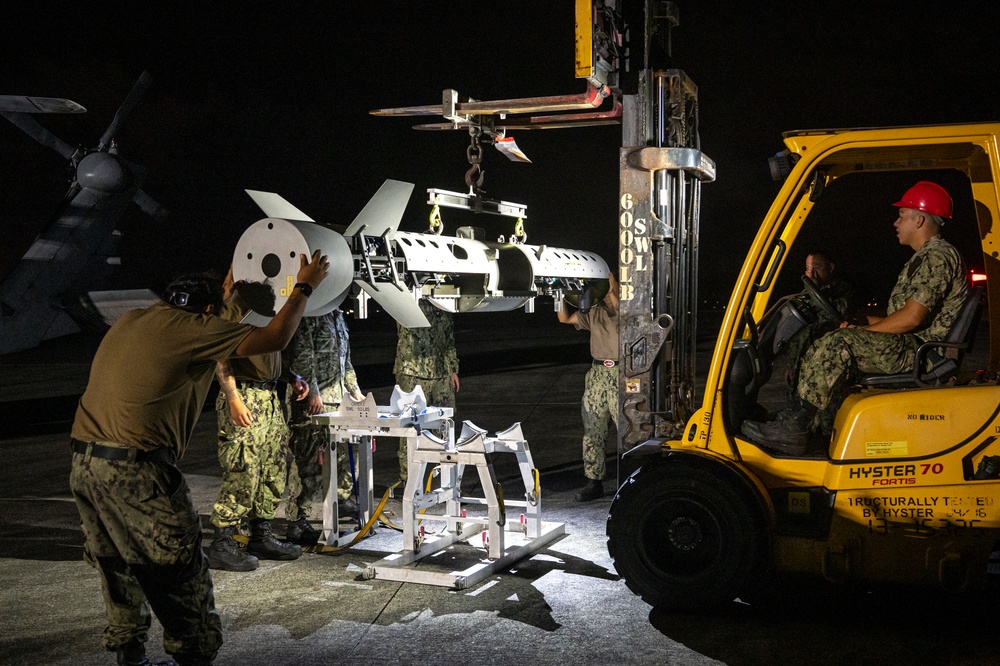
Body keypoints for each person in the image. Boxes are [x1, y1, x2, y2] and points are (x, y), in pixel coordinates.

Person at [69, 251, 329, 666]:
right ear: (207, 312)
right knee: (180, 571)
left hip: (85, 466)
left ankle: (130, 656)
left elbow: (211, 316)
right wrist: (304, 285)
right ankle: (195, 656)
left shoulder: (135, 319)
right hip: (137, 471)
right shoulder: (193, 330)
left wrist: (233, 293)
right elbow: (275, 337)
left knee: (116, 563)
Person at [742, 181, 970, 455]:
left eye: (901, 215)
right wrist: (861, 323)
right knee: (838, 339)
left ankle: (794, 427)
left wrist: (863, 334)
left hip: (921, 351)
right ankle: (811, 424)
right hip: (913, 344)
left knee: (837, 344)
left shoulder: (937, 256)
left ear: (919, 219)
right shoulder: (925, 258)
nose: (895, 222)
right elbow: (901, 316)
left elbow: (911, 318)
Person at [205, 276, 309, 572]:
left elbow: (269, 354)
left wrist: (292, 377)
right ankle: (222, 543)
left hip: (269, 397)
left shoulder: (265, 311)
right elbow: (220, 356)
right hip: (245, 396)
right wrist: (233, 398)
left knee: (272, 470)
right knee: (244, 471)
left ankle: (260, 536)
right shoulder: (233, 310)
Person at [283, 308, 365, 546]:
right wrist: (314, 393)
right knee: (308, 464)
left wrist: (355, 391)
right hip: (314, 403)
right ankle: (297, 521)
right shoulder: (310, 314)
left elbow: (345, 361)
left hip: (338, 401)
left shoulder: (337, 316)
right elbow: (301, 356)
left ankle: (339, 502)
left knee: (341, 458)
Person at [557, 272, 619, 502]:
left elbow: (616, 305)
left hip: (621, 373)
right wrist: (560, 294)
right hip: (598, 373)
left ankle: (632, 477)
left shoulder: (627, 310)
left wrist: (611, 289)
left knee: (629, 430)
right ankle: (594, 481)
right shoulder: (593, 311)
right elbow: (565, 319)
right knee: (593, 431)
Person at [393, 298, 460, 482]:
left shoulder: (442, 300)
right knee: (410, 428)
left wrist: (453, 368)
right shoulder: (409, 297)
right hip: (412, 372)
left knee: (445, 426)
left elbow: (448, 337)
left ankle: (446, 478)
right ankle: (410, 480)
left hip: (441, 372)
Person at [780, 250, 855, 390]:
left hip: (826, 364)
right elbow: (796, 332)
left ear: (830, 268)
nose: (811, 274)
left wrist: (814, 291)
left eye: (816, 268)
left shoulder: (843, 290)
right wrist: (791, 364)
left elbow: (841, 312)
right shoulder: (803, 295)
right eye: (808, 269)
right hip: (802, 361)